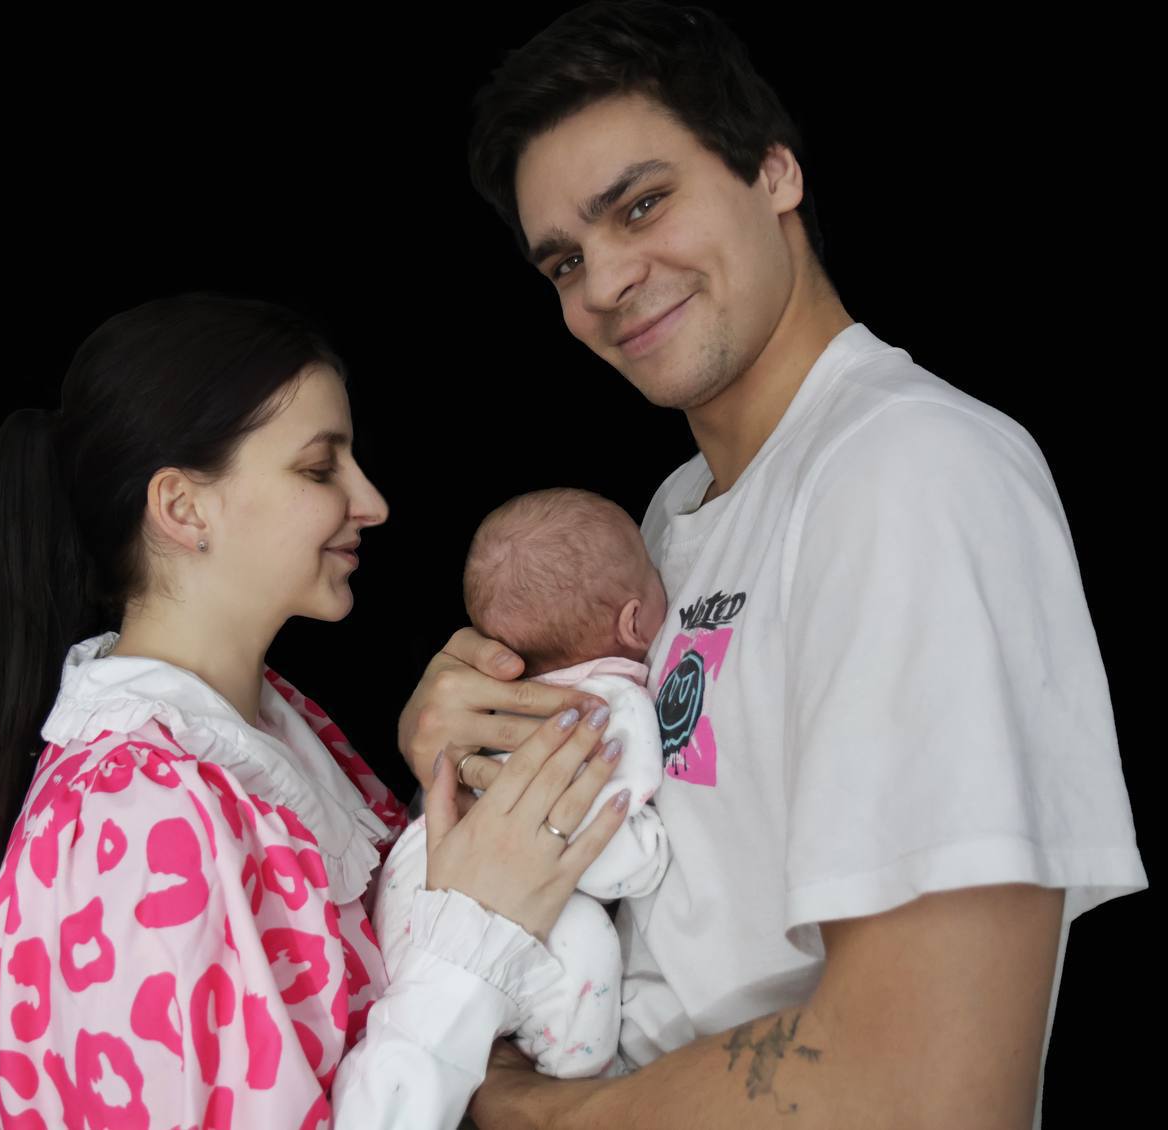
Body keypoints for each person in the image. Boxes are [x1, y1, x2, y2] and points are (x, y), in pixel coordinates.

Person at [395, 3, 1148, 1127]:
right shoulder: (670, 519)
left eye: (641, 204)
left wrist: (522, 1108)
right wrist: (476, 752)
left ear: (775, 173)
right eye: (564, 259)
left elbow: (930, 1089)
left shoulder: (909, 473)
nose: (603, 282)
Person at [0, 293, 631, 1129]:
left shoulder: (270, 721)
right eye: (320, 469)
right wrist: (475, 935)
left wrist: (447, 782)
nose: (372, 502)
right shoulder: (133, 817)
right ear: (182, 508)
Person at [374, 488, 669, 1078]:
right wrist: (647, 855)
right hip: (490, 908)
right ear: (634, 622)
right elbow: (603, 857)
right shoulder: (613, 709)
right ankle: (576, 1072)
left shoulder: (484, 705)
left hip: (411, 876)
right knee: (587, 945)